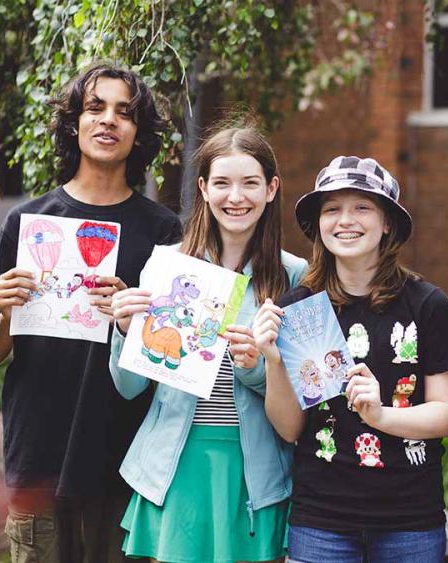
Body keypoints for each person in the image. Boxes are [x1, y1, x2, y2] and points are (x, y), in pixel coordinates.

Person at [0, 63, 183, 562]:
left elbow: (176, 355)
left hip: (125, 459)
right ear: (74, 123)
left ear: (138, 134)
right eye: (95, 107)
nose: (109, 120)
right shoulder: (27, 221)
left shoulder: (164, 230)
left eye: (124, 113)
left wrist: (132, 318)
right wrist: (6, 313)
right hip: (37, 456)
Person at [108, 124, 306, 563]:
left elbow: (299, 402)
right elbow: (130, 388)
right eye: (222, 183)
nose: (236, 197)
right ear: (203, 188)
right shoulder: (166, 265)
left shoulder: (295, 276)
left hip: (253, 468)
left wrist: (256, 366)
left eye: (250, 183)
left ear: (271, 189)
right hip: (174, 463)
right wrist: (124, 332)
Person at [255, 156, 448, 562]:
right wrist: (273, 360)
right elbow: (288, 429)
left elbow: (445, 414)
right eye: (332, 209)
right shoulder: (301, 309)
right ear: (319, 223)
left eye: (362, 208)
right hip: (321, 521)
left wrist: (381, 416)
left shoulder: (427, 305)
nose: (345, 220)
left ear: (387, 221)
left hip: (409, 520)